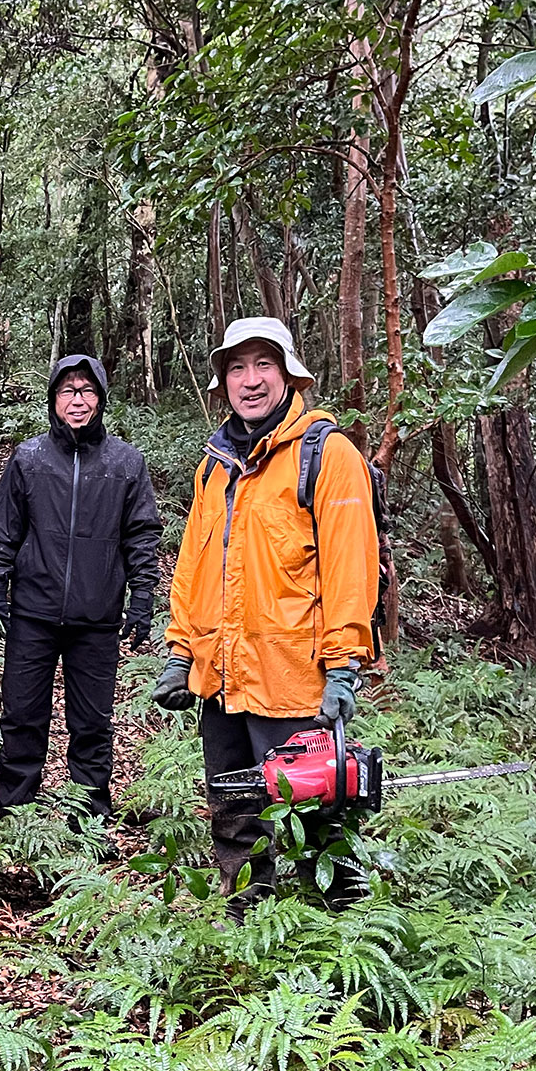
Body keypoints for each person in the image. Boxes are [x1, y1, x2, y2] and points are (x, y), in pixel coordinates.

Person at [152, 316, 380, 910]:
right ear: (222, 380)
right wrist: (181, 652)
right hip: (223, 680)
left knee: (313, 820)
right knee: (233, 809)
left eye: (262, 365)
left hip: (296, 680)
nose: (249, 380)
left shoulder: (329, 456)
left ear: (287, 373)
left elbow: (351, 568)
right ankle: (248, 921)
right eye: (236, 368)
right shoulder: (214, 465)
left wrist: (345, 667)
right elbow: (194, 567)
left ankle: (335, 940)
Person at [0, 354, 161, 818]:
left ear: (100, 399)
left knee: (92, 723)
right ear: (53, 400)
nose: (77, 400)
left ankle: (90, 818)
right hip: (32, 613)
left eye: (86, 391)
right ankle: (14, 814)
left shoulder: (126, 462)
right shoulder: (29, 458)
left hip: (98, 617)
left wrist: (142, 596)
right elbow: (3, 530)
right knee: (22, 717)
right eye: (67, 391)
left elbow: (142, 533)